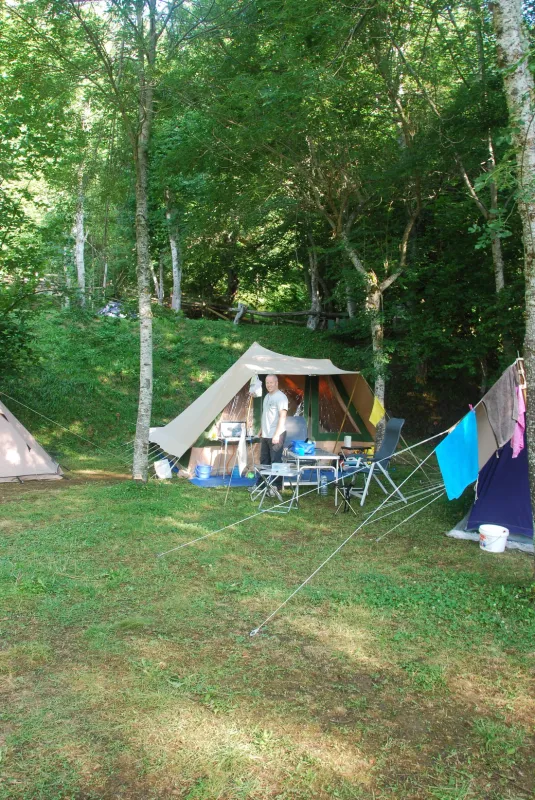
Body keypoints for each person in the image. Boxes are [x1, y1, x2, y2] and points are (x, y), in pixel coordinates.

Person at [249, 374, 288, 493]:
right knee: (264, 461)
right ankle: (262, 485)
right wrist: (261, 430)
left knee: (276, 461)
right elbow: (266, 415)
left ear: (276, 383)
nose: (269, 385)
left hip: (276, 434)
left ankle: (276, 487)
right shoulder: (266, 396)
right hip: (266, 434)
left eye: (271, 382)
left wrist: (276, 434)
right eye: (267, 383)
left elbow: (282, 416)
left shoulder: (281, 397)